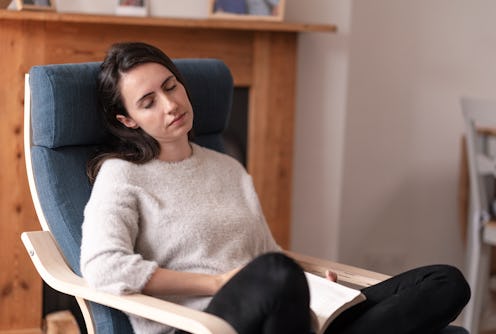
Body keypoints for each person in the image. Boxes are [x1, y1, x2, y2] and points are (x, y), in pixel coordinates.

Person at [80, 42, 470, 334]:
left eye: (171, 86)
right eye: (148, 102)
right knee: (277, 273)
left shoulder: (227, 167)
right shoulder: (122, 175)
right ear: (128, 120)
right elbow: (102, 266)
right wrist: (218, 282)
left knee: (444, 281)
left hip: (279, 311)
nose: (170, 105)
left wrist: (313, 284)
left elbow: (267, 253)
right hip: (200, 324)